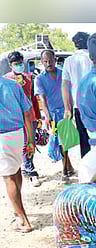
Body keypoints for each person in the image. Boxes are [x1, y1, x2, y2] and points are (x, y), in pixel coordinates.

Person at [0, 77, 35, 232]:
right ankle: (17, 207)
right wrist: (31, 140)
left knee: (8, 178)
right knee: (16, 170)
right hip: (17, 133)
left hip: (2, 136)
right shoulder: (12, 84)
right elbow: (28, 113)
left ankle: (23, 221)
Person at [34, 49, 74, 181]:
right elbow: (43, 100)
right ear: (41, 62)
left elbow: (69, 93)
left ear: (55, 60)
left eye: (50, 60)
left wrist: (70, 109)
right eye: (45, 61)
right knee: (57, 141)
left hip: (65, 111)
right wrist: (47, 116)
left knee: (65, 141)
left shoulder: (63, 74)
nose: (48, 63)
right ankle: (68, 166)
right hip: (52, 113)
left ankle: (65, 170)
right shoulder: (39, 79)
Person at [4, 51, 42, 187]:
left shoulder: (29, 78)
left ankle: (30, 169)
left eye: (21, 63)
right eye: (16, 64)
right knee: (21, 144)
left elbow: (33, 98)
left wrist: (37, 116)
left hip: (29, 115)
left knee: (30, 143)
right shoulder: (7, 80)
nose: (19, 66)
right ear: (10, 65)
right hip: (15, 119)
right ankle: (26, 169)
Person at [61, 31, 93, 158]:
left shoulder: (69, 61)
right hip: (94, 104)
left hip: (78, 106)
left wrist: (67, 108)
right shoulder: (92, 58)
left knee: (83, 139)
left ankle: (87, 168)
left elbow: (65, 85)